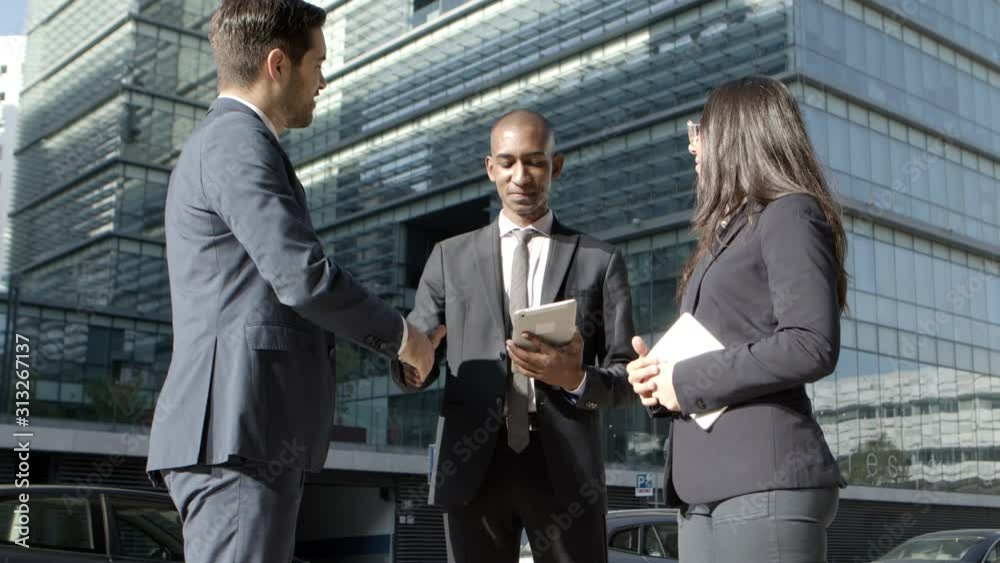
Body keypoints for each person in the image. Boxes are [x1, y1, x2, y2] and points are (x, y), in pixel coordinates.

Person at [146, 2, 441, 561]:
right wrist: (405, 338)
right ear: (278, 65)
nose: (323, 80)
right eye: (318, 63)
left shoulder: (230, 142)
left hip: (245, 434)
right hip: (237, 434)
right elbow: (302, 277)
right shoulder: (236, 141)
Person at [394, 110, 637, 563]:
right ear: (490, 168)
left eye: (535, 162)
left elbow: (626, 379)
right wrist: (413, 367)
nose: (520, 176)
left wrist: (575, 379)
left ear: (556, 166)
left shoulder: (600, 261)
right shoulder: (449, 257)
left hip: (565, 468)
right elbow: (418, 351)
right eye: (507, 163)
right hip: (473, 467)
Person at [626, 76, 848, 562]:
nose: (693, 147)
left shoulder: (790, 215)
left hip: (764, 475)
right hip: (703, 485)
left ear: (733, 135)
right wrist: (658, 381)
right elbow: (728, 342)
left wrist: (684, 380)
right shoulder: (725, 237)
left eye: (697, 132)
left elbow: (811, 342)